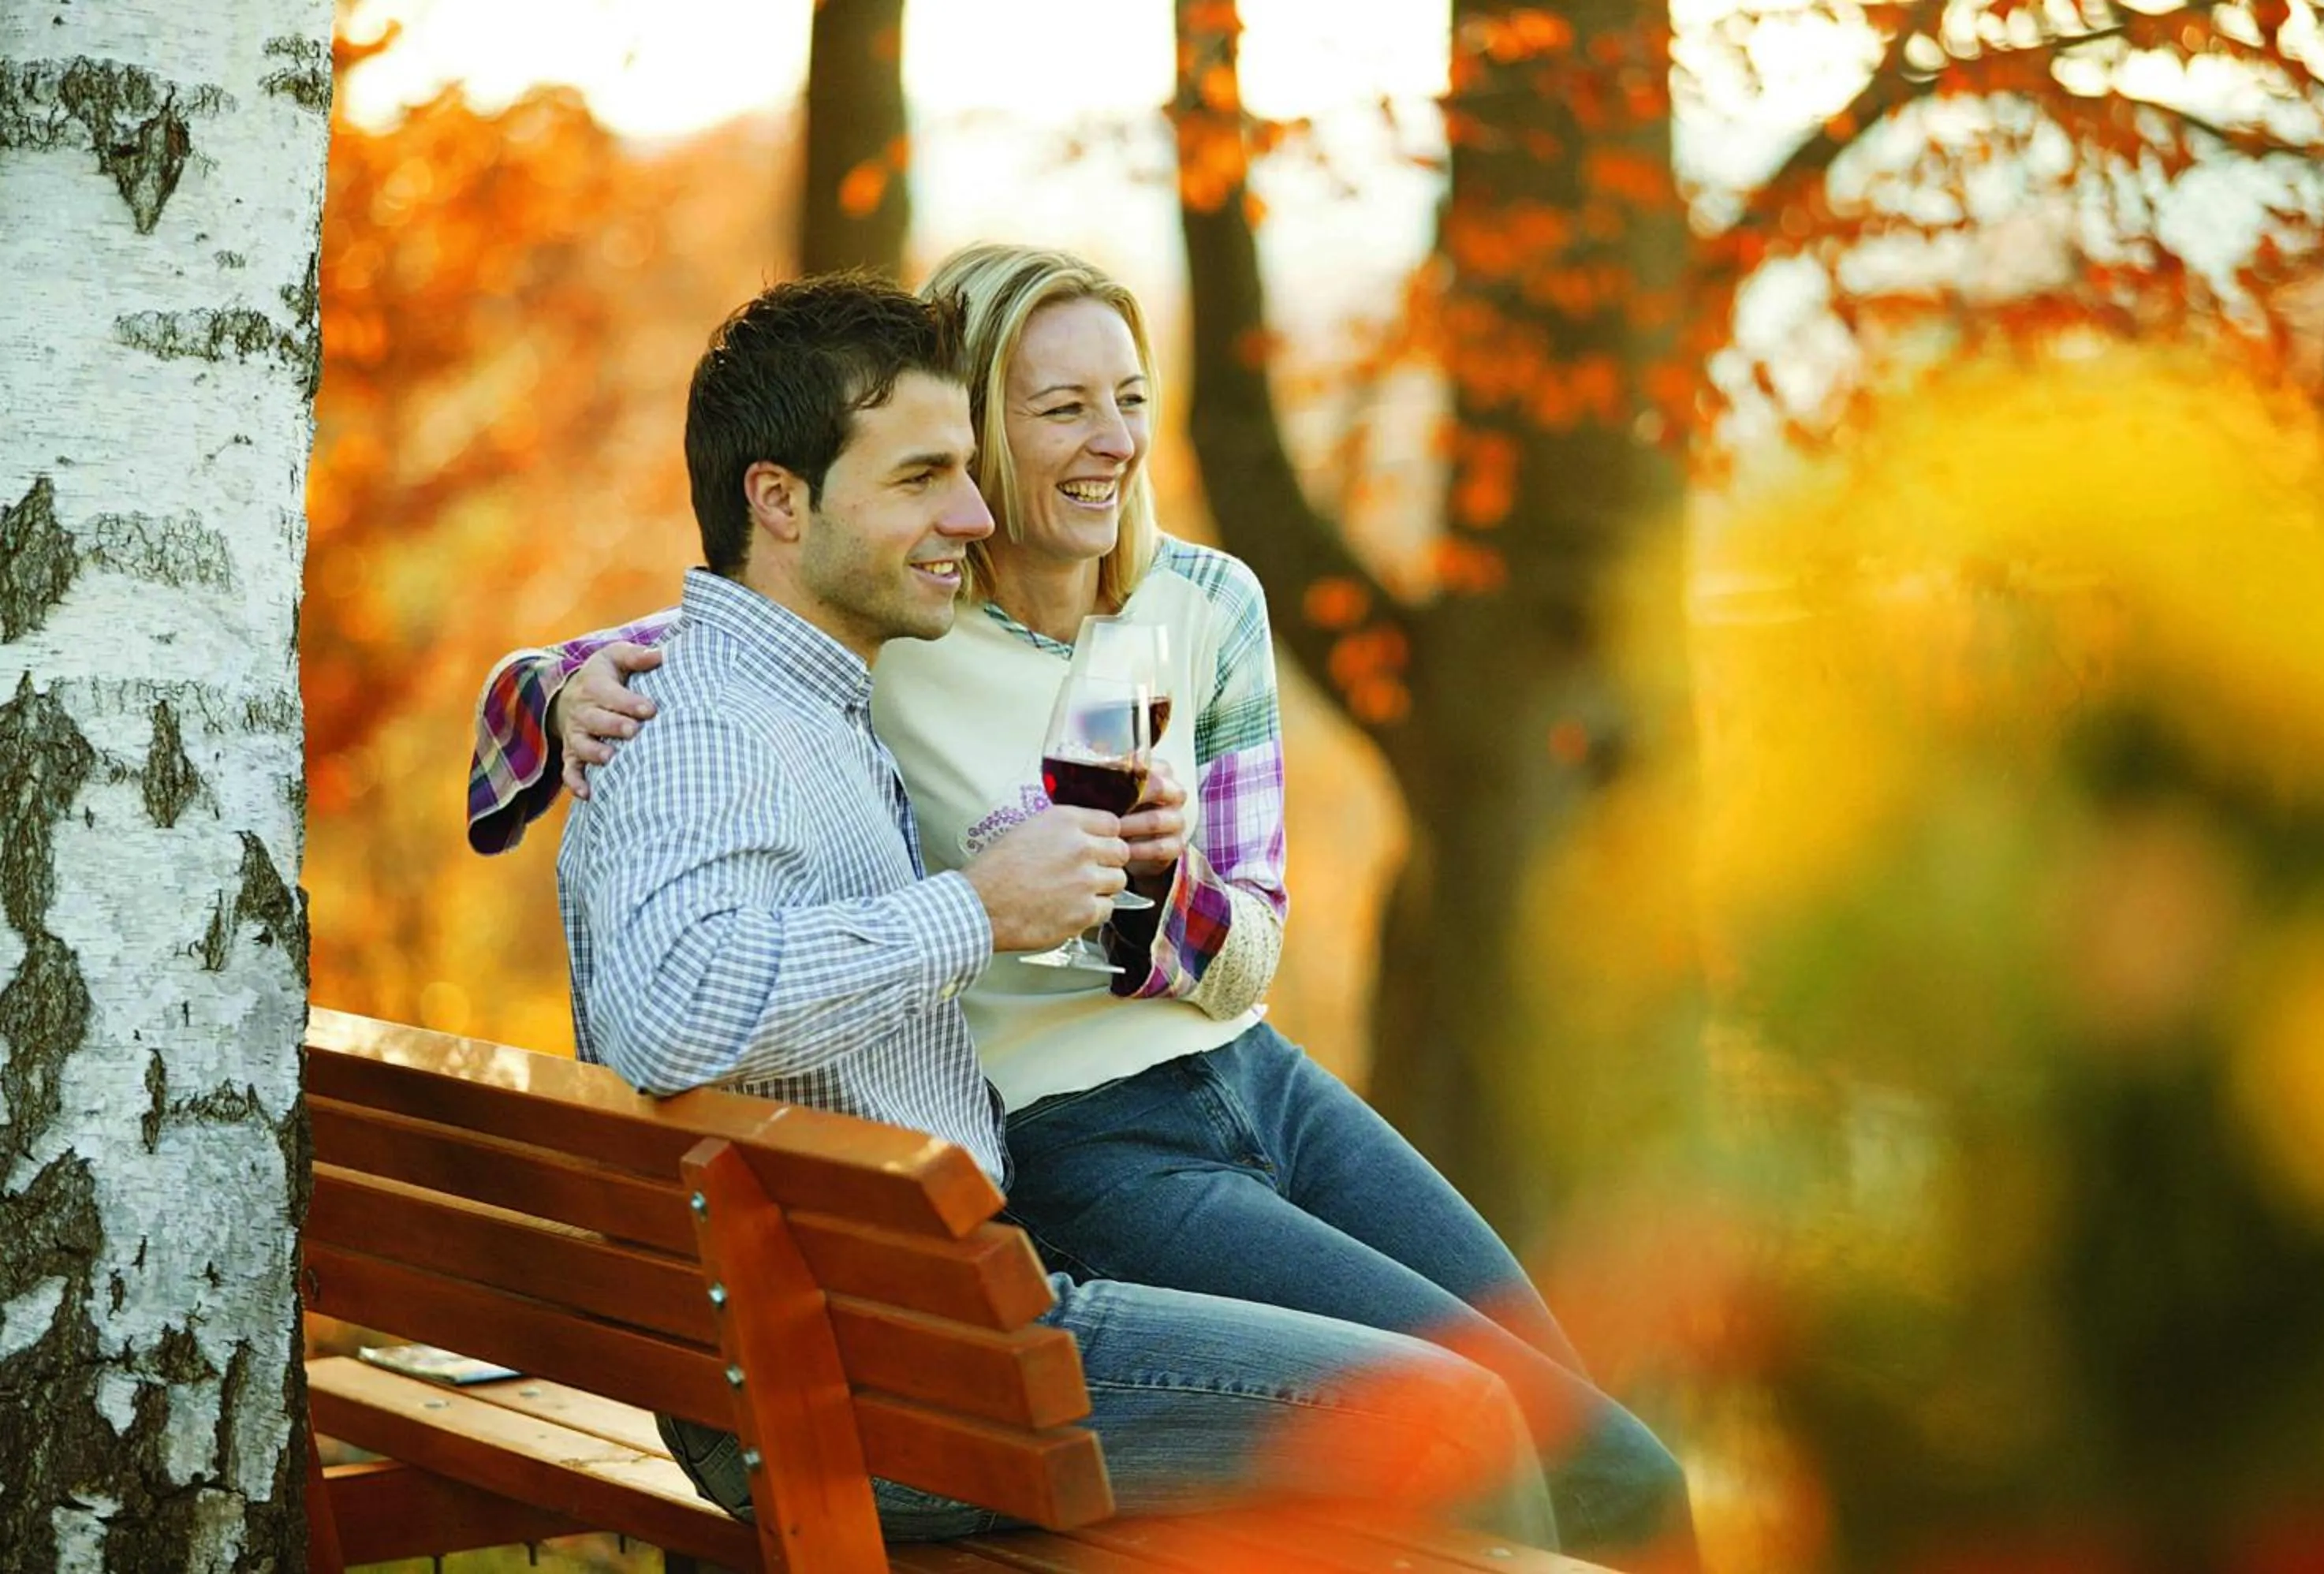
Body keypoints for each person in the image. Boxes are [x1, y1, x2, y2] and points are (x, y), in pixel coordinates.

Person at [481, 248, 1695, 1567]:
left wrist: (1161, 900)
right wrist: (550, 691)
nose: (1108, 441)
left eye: (1130, 397)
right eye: (1057, 409)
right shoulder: (904, 624)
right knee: (1456, 1431)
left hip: (1242, 1080)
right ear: (978, 430)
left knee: (1621, 1469)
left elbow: (1251, 937)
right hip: (1055, 1165)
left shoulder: (1194, 603)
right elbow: (708, 661)